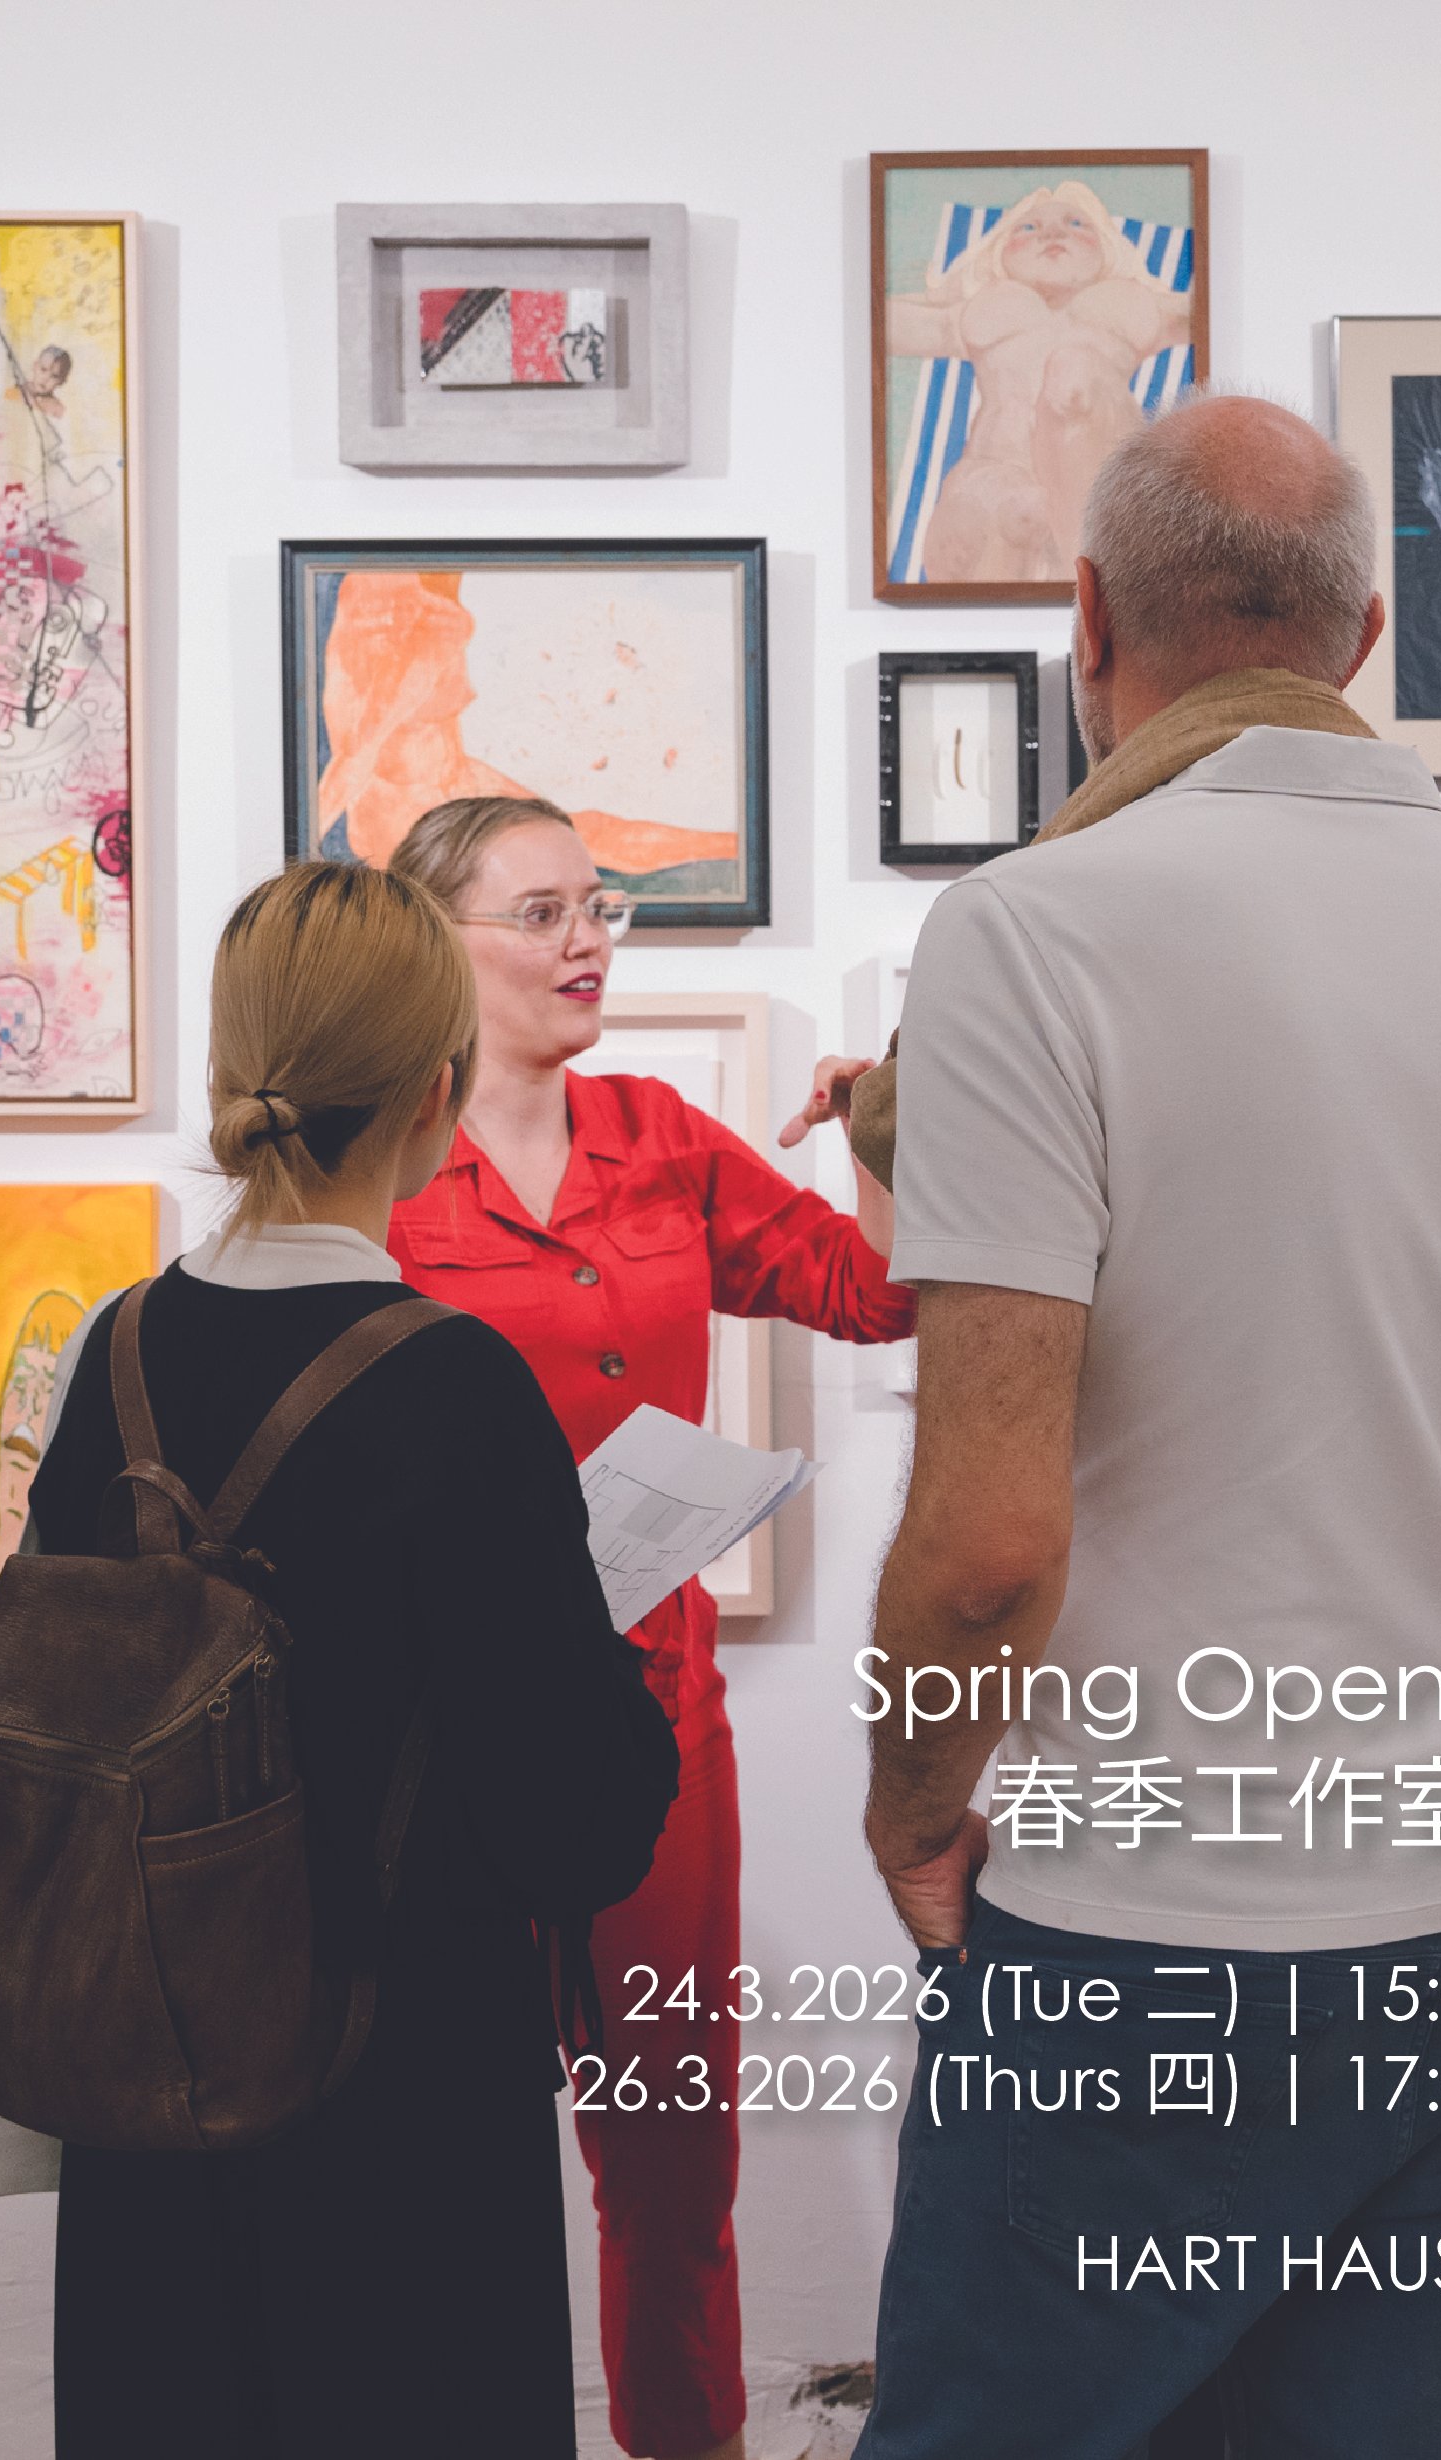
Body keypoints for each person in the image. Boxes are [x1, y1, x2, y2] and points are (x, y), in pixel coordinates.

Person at [856, 394, 1441, 2460]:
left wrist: (910, 1804)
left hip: (1147, 1918)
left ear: (1089, 617)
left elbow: (984, 1546)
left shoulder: (1029, 929)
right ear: (1366, 631)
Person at [27, 859, 678, 2460]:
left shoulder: (115, 1353)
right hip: (398, 2094)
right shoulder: (456, 1386)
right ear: (438, 1092)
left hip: (146, 2074)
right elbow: (574, 1824)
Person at [387, 793, 916, 2460]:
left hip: (654, 1724)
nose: (588, 941)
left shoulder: (659, 1138)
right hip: (442, 1743)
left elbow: (873, 1294)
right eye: (541, 912)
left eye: (599, 905)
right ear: (435, 943)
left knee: (675, 2162)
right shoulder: (382, 1171)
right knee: (439, 2156)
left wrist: (879, 1134)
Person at [886, 181, 1190, 586]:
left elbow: (1209, 307)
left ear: (1107, 249)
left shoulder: (1138, 304)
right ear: (998, 253)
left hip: (1097, 482)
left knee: (1075, 374)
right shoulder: (979, 310)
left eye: (1076, 224)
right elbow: (879, 323)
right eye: (1028, 228)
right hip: (993, 480)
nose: (1052, 233)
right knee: (1003, 517)